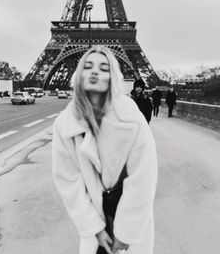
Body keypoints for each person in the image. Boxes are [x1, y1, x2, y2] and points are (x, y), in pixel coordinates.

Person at [52, 46, 157, 254]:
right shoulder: (64, 124)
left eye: (103, 67)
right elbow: (68, 182)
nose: (94, 71)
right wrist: (94, 229)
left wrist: (126, 232)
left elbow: (144, 176)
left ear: (112, 77)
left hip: (130, 217)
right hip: (96, 220)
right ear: (79, 74)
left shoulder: (131, 116)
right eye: (88, 66)